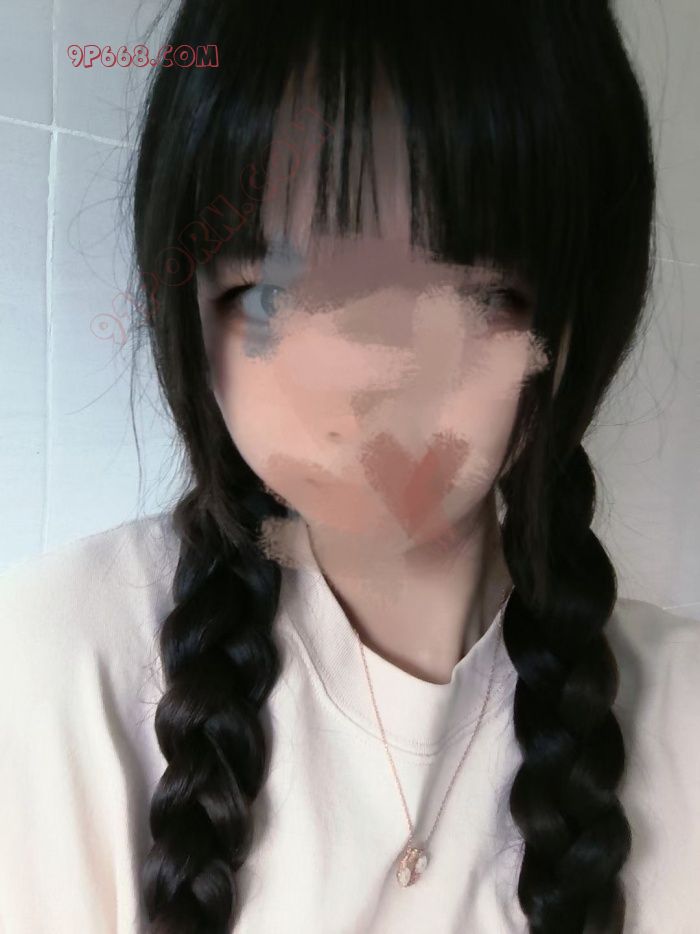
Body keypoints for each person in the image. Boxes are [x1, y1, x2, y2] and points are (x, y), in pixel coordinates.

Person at [1, 1, 698, 932]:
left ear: (576, 325)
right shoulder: (51, 673)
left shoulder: (683, 723)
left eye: (466, 292)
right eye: (274, 293)